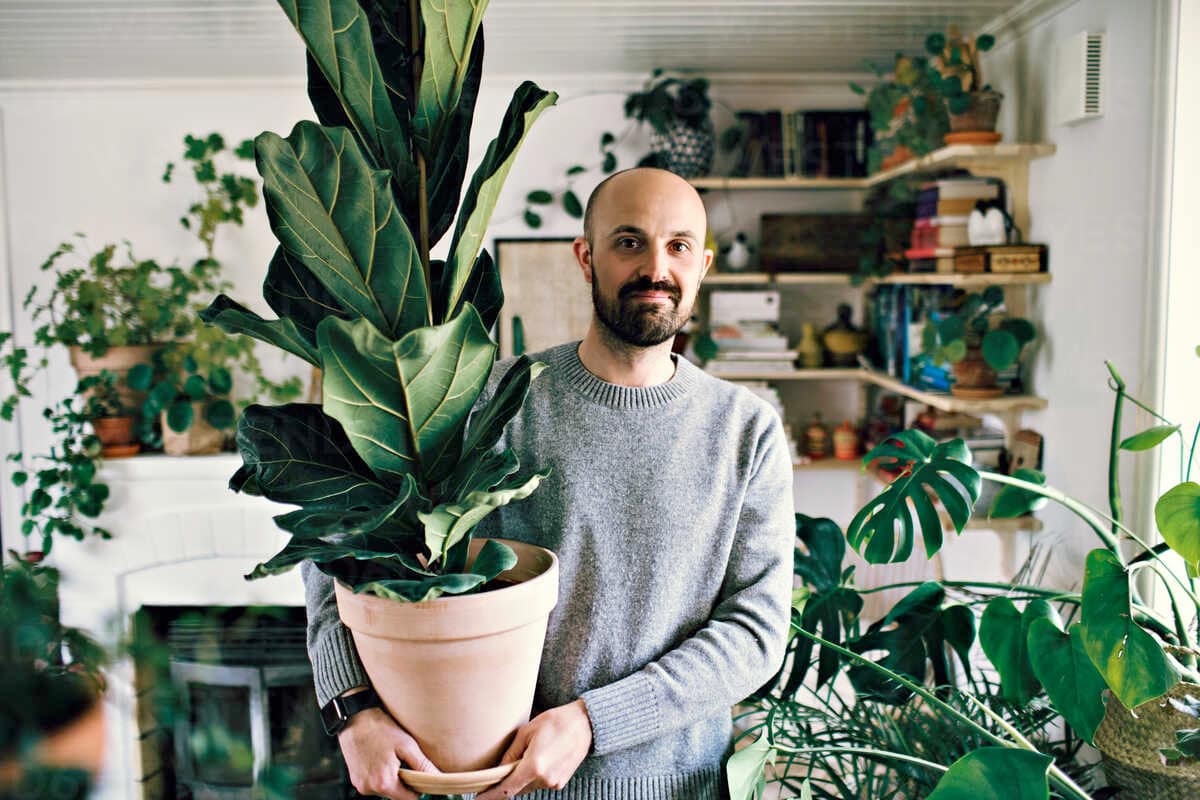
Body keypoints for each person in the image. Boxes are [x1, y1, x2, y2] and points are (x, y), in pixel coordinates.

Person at [302, 166, 795, 799]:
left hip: (684, 787)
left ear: (703, 265)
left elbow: (755, 633)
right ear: (585, 257)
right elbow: (337, 530)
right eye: (628, 242)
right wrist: (352, 710)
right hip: (499, 786)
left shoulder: (746, 429)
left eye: (677, 246)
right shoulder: (489, 398)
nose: (654, 268)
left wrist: (593, 723)